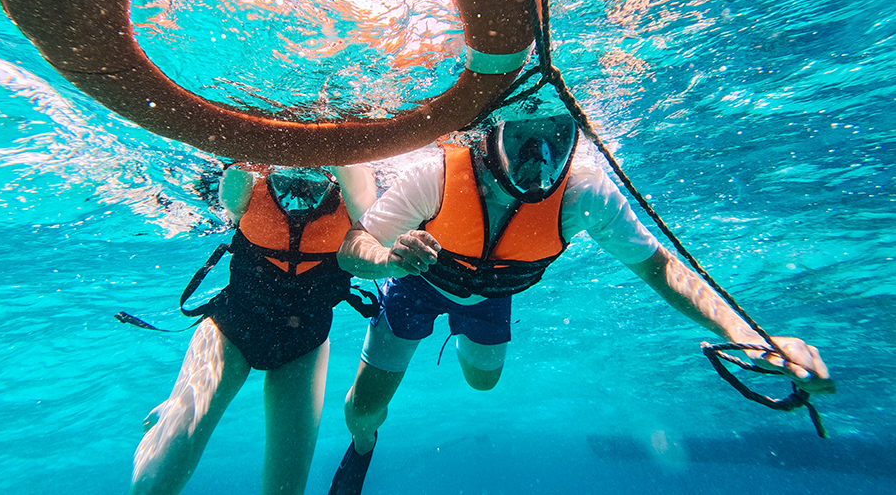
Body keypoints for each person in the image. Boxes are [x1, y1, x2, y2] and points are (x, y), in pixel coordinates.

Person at [327, 113, 835, 494]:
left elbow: (661, 269)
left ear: (575, 137)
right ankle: (365, 447)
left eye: (555, 138)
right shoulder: (436, 174)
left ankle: (461, 331)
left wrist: (744, 333)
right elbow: (354, 250)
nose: (538, 157)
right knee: (364, 413)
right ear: (490, 136)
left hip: (489, 299)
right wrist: (391, 261)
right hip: (416, 282)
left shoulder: (586, 191)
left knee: (483, 382)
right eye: (524, 137)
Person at [130, 163, 376, 495]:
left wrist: (334, 146)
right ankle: (171, 421)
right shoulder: (250, 176)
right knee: (153, 484)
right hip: (230, 329)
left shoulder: (353, 189)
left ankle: (175, 419)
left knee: (285, 491)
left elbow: (365, 202)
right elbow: (232, 198)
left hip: (303, 345)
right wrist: (256, 149)